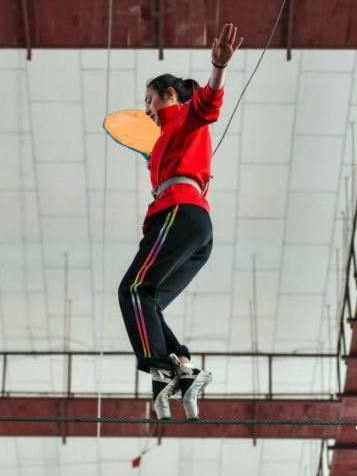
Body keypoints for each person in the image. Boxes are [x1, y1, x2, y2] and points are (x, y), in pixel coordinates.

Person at [117, 23, 243, 420]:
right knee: (148, 300)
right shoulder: (164, 140)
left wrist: (218, 67)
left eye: (150, 99)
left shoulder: (186, 116)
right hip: (195, 227)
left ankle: (160, 369)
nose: (147, 109)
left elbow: (207, 103)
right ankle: (184, 367)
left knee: (132, 291)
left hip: (179, 213)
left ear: (169, 95)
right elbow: (163, 153)